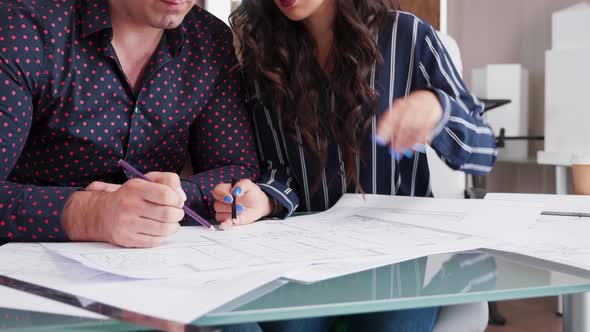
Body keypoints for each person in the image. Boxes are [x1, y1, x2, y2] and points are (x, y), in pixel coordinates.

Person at [213, 0, 498, 330]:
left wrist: (438, 109)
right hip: (302, 264)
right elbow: (279, 168)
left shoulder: (406, 35)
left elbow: (483, 150)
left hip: (395, 263)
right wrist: (265, 197)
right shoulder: (262, 56)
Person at [0, 0, 259, 248]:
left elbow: (234, 166)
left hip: (156, 262)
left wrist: (167, 199)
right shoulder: (23, 28)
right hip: (24, 264)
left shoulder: (209, 39)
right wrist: (89, 213)